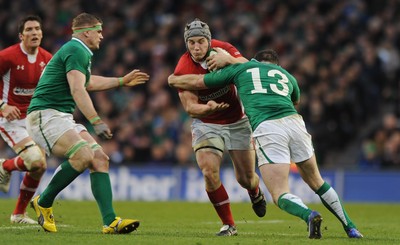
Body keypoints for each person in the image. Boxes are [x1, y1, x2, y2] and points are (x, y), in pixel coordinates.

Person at [168, 49, 364, 239]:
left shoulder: (241, 70)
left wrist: (173, 79)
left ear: (254, 60)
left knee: (279, 193)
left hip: (268, 127)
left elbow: (200, 82)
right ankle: (351, 227)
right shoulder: (286, 75)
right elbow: (295, 99)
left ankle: (309, 215)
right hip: (295, 123)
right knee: (317, 182)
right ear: (276, 65)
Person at [26, 12, 150, 234]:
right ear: (87, 33)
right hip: (45, 115)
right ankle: (43, 202)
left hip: (60, 116)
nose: (102, 36)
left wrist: (121, 81)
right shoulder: (76, 49)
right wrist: (96, 121)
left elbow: (87, 82)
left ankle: (110, 221)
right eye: (99, 31)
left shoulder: (77, 51)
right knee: (83, 155)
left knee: (100, 158)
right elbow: (77, 89)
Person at [172, 18, 266, 236]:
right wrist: (208, 108)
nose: (196, 47)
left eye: (201, 42)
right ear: (186, 43)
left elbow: (252, 68)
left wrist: (229, 61)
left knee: (245, 178)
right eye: (192, 43)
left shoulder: (224, 49)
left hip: (237, 120)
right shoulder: (183, 67)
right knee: (208, 170)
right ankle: (229, 224)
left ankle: (255, 191)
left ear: (209, 40)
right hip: (207, 123)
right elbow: (190, 107)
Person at [0, 15, 52, 224]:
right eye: (29, 29)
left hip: (33, 120)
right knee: (35, 160)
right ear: (21, 35)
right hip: (9, 119)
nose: (34, 33)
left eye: (37, 29)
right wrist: (2, 106)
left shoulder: (47, 58)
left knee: (39, 167)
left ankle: (18, 215)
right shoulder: (7, 56)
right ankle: (6, 167)